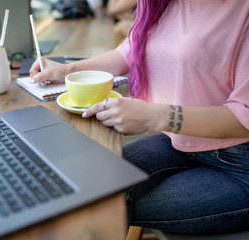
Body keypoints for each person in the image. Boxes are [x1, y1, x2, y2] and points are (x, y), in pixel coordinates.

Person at [30, 0, 249, 234]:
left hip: (239, 168)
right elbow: (131, 50)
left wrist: (155, 116)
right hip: (180, 144)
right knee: (79, 184)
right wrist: (67, 71)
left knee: (93, 204)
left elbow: (243, 113)